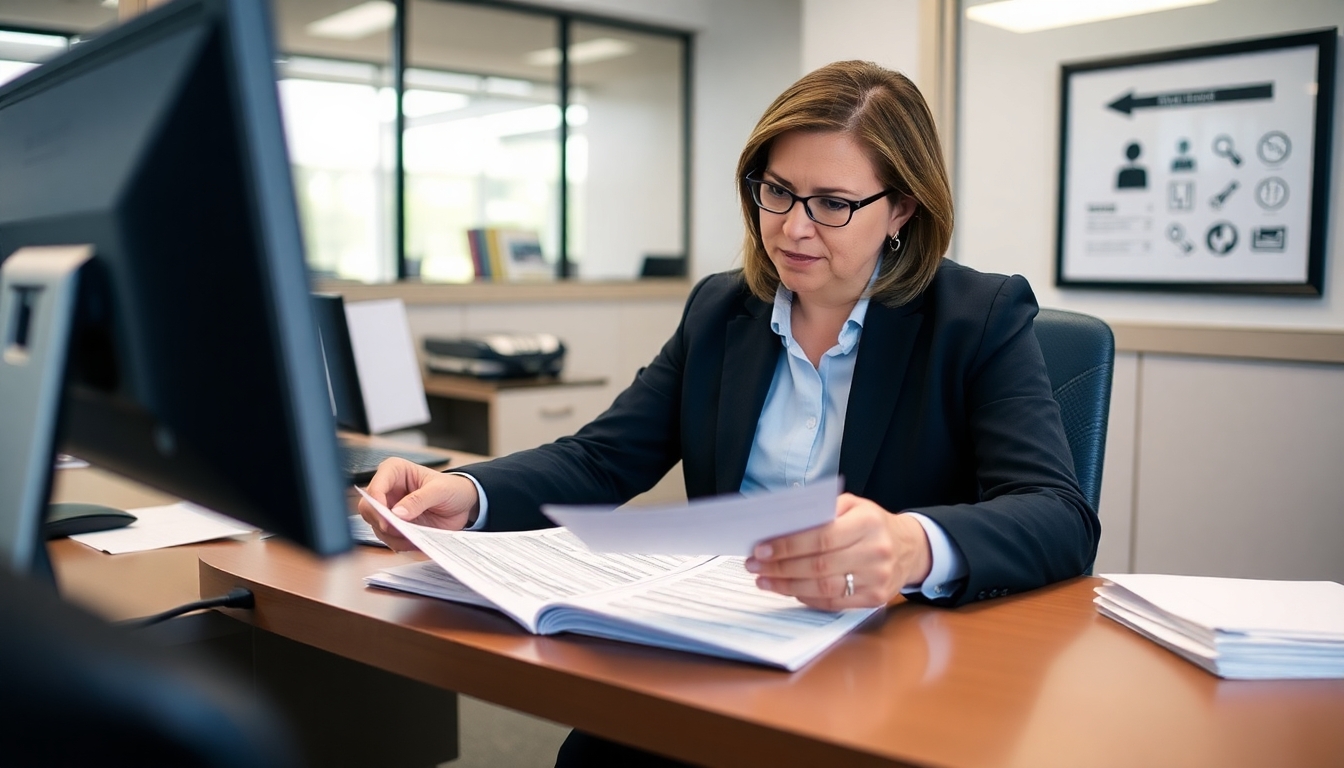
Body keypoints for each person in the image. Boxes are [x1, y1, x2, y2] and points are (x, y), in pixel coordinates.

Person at [359, 60, 1099, 766]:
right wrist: (471, 490)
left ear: (901, 207)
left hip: (884, 670)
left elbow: (1058, 515)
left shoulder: (978, 318)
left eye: (833, 204)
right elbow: (604, 456)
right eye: (775, 191)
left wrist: (912, 545)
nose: (792, 228)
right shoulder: (723, 308)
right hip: (712, 646)